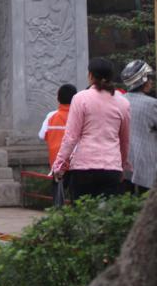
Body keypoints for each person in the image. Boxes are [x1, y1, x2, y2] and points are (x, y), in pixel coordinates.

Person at [52, 58, 130, 200]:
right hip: (111, 168)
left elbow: (71, 137)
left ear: (91, 76)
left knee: (82, 214)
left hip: (83, 168)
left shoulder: (80, 98)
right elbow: (124, 140)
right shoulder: (123, 103)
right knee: (106, 216)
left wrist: (59, 165)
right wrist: (122, 165)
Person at [120, 60, 157, 193]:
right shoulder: (152, 104)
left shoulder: (119, 101)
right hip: (147, 162)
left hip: (122, 162)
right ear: (143, 80)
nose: (151, 82)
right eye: (149, 78)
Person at [38, 83, 77, 204]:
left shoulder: (51, 116)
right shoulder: (78, 115)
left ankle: (57, 216)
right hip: (76, 162)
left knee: (58, 195)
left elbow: (41, 135)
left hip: (57, 163)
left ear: (58, 98)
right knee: (75, 194)